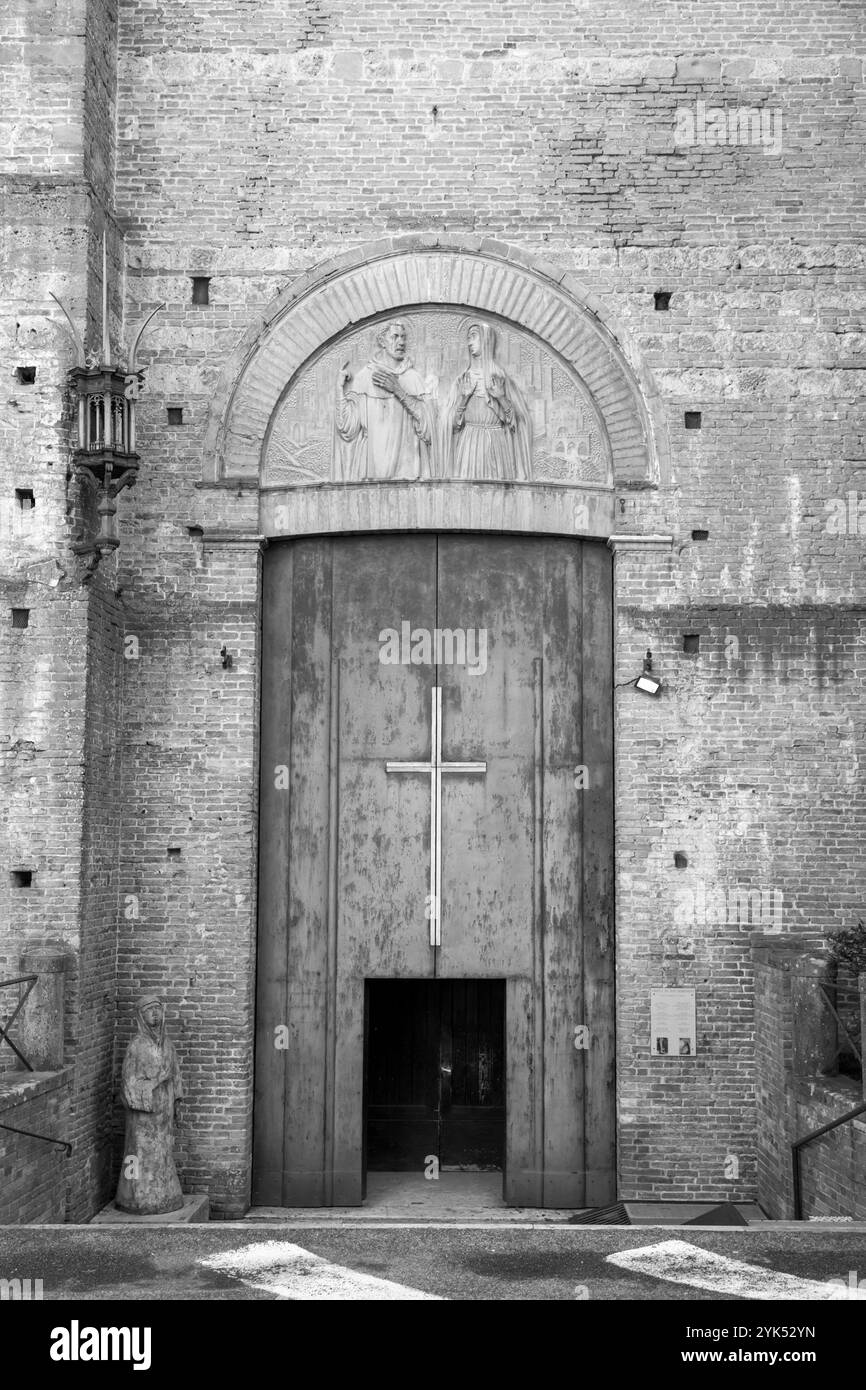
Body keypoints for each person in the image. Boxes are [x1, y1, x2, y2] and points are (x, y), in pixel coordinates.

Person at [334, 320, 434, 480]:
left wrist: (398, 390)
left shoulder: (413, 378)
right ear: (382, 341)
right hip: (372, 469)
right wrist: (340, 389)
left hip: (407, 471)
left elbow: (429, 425)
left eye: (403, 337)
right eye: (395, 337)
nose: (401, 342)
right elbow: (348, 427)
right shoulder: (364, 378)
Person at [115, 994, 184, 1215]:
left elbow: (175, 1075)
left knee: (163, 1153)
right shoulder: (136, 1046)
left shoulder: (168, 1044)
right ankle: (137, 1198)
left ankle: (166, 1195)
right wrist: (155, 1081)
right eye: (149, 1010)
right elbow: (129, 1082)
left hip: (164, 1108)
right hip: (144, 1112)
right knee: (140, 1152)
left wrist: (176, 1100)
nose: (155, 1014)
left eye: (158, 1009)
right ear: (141, 1016)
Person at [440, 321, 532, 480]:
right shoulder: (462, 379)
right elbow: (453, 425)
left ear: (486, 340)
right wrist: (464, 398)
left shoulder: (499, 377)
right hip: (469, 443)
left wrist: (501, 398)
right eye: (468, 338)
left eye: (474, 337)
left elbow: (517, 423)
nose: (469, 342)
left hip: (496, 444)